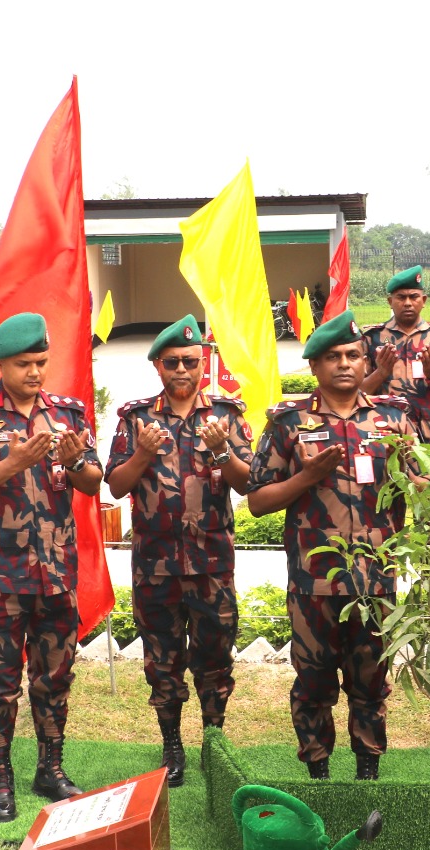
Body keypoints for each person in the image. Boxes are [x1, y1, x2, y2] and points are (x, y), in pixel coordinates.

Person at [0, 313, 102, 821]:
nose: (35, 372)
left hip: (55, 575)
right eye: (23, 364)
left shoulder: (67, 414)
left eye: (40, 362)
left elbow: (94, 483)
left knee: (54, 678)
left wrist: (77, 463)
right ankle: (0, 777)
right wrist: (12, 463)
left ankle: (49, 769)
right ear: (1, 364)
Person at [247, 312, 416, 781]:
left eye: (353, 355)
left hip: (375, 580)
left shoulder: (394, 419)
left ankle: (367, 773)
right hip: (314, 584)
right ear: (315, 367)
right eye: (332, 357)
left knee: (371, 684)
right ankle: (318, 775)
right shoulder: (288, 423)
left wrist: (419, 478)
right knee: (313, 685)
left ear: (365, 362)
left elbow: (422, 487)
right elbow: (258, 501)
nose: (344, 364)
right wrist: (306, 477)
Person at [105, 315, 254, 787]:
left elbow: (249, 485)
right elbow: (114, 485)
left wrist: (222, 452)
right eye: (173, 363)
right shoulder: (136, 419)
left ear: (203, 361)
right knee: (162, 660)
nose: (183, 370)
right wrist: (143, 454)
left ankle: (214, 739)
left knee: (215, 658)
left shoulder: (227, 417)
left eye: (191, 361)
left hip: (212, 565)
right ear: (158, 368)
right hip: (157, 567)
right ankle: (172, 744)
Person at [360, 265, 430, 432]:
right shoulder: (371, 337)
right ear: (390, 302)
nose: (407, 303)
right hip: (384, 429)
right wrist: (381, 373)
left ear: (423, 301)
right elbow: (356, 393)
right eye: (400, 297)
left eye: (413, 297)